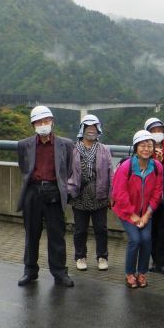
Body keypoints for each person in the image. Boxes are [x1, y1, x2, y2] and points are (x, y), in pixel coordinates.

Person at [16, 106, 75, 287]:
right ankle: (30, 271)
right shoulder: (24, 144)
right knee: (31, 234)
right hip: (32, 192)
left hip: (54, 192)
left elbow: (68, 168)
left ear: (52, 122)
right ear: (33, 124)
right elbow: (23, 168)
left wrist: (58, 187)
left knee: (57, 235)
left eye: (46, 121)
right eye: (39, 122)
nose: (43, 125)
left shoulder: (66, 144)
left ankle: (59, 272)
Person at [112, 130, 163, 288]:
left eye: (149, 145)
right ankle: (129, 273)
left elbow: (157, 193)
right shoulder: (126, 167)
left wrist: (147, 214)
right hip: (126, 211)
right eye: (142, 145)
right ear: (136, 148)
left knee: (147, 240)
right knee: (135, 239)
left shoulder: (157, 167)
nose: (146, 149)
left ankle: (142, 273)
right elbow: (119, 194)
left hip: (145, 212)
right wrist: (133, 215)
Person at [67, 114, 113, 272]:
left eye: (94, 128)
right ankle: (80, 256)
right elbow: (66, 170)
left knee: (101, 228)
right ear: (82, 130)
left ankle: (102, 256)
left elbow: (110, 172)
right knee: (80, 229)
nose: (91, 131)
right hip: (79, 194)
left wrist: (111, 194)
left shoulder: (104, 149)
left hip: (99, 192)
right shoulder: (73, 149)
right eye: (88, 128)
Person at [144, 117, 164, 276]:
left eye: (160, 131)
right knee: (149, 230)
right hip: (148, 196)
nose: (157, 133)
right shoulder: (143, 149)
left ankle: (161, 263)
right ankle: (152, 261)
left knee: (163, 231)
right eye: (154, 131)